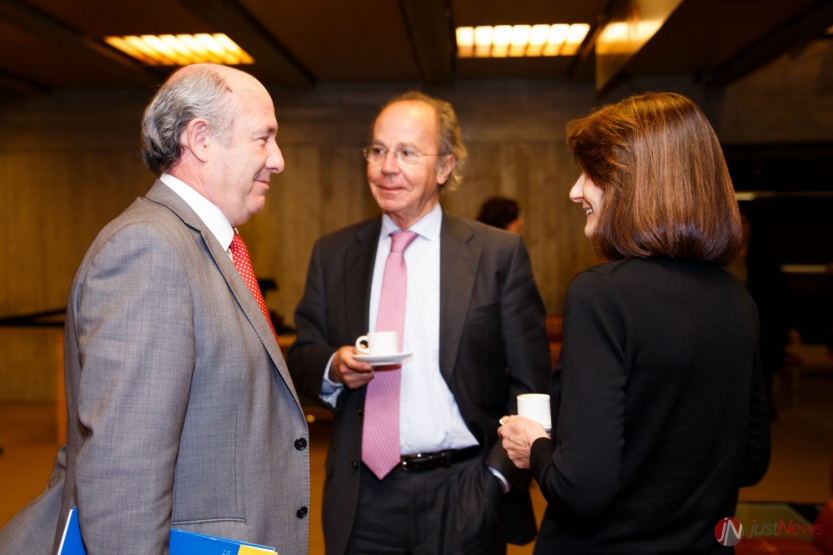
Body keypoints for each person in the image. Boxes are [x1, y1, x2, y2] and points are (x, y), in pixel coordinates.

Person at [40, 64, 309, 554]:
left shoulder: (202, 245)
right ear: (201, 139)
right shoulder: (150, 250)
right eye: (263, 139)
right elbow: (124, 475)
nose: (278, 160)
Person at [498, 92, 771, 554]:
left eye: (592, 174)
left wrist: (536, 447)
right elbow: (751, 462)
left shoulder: (602, 295)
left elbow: (582, 490)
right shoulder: (737, 299)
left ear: (637, 184)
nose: (575, 191)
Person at [287, 91, 551, 555]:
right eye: (378, 150)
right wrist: (334, 366)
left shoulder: (496, 255)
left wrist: (496, 478)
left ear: (445, 167)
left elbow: (532, 385)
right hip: (363, 499)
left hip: (464, 490)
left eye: (407, 152)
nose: (387, 167)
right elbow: (303, 355)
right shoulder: (334, 254)